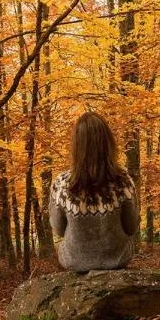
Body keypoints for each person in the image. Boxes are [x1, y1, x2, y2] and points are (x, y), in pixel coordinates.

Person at [49, 112, 139, 272]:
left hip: (74, 261)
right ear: (108, 143)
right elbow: (131, 227)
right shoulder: (122, 181)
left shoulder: (62, 184)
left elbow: (58, 229)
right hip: (118, 259)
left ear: (76, 146)